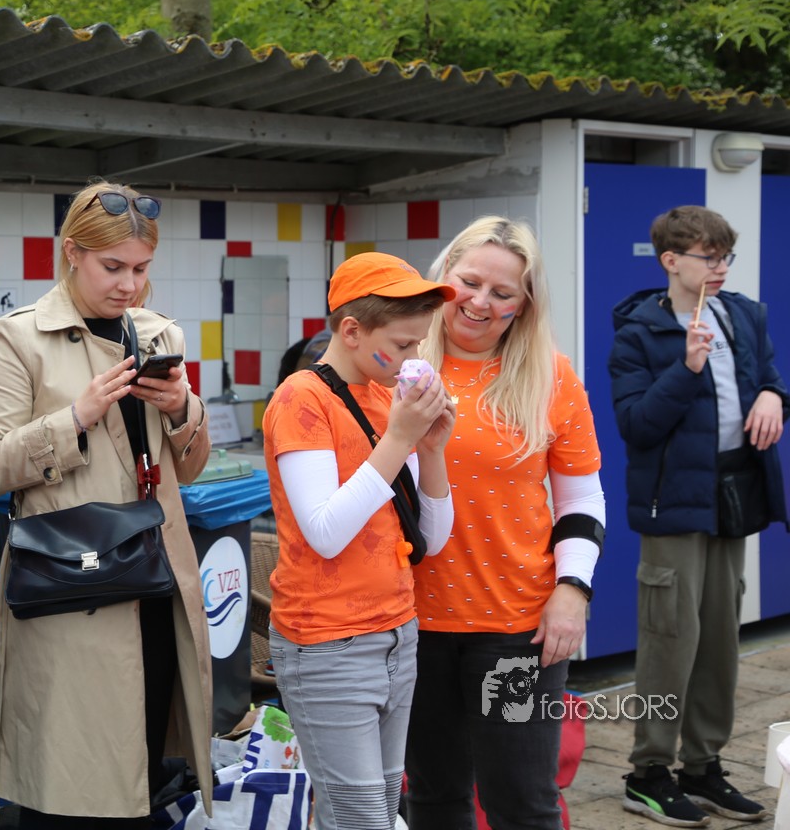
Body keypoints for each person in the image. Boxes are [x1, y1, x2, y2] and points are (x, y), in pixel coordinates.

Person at [0, 181, 213, 828]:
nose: (130, 285)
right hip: (72, 591)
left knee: (144, 775)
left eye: (142, 268)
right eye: (113, 267)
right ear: (72, 252)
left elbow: (188, 468)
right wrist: (75, 418)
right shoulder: (19, 337)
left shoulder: (158, 334)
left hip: (155, 588)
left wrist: (182, 410)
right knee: (69, 790)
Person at [403, 216, 607, 830]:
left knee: (521, 802)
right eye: (470, 282)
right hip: (410, 622)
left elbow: (581, 497)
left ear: (524, 305)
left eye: (502, 292)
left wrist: (572, 591)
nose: (480, 302)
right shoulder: (398, 364)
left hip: (514, 629)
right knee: (432, 797)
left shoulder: (552, 376)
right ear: (444, 276)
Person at [262, 251, 457, 830]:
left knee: (380, 808)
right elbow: (325, 533)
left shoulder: (383, 395)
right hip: (328, 643)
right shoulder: (301, 398)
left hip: (397, 631)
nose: (413, 358)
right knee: (360, 818)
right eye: (402, 344)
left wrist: (431, 449)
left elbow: (431, 538)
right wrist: (399, 438)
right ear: (351, 331)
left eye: (419, 343)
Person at [611, 205, 785, 826]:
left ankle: (703, 767)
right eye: (708, 257)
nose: (720, 268)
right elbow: (638, 426)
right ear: (671, 261)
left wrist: (774, 396)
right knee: (669, 642)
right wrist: (686, 369)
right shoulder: (639, 332)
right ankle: (648, 773)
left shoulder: (743, 315)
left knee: (719, 641)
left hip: (733, 496)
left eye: (725, 256)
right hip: (672, 505)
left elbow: (767, 377)